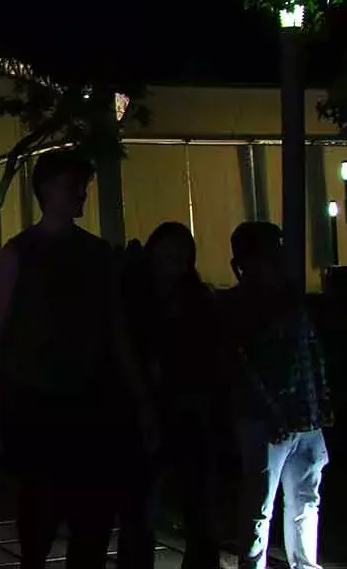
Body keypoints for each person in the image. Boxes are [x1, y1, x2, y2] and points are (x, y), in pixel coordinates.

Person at [0, 148, 154, 569]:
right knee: (40, 514)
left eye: (82, 185)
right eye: (71, 185)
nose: (81, 193)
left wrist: (140, 399)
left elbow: (115, 330)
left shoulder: (96, 254)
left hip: (90, 396)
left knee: (92, 518)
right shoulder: (19, 253)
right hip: (37, 398)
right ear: (46, 190)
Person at [220, 222, 332, 569]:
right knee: (261, 504)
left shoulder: (288, 298)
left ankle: (303, 564)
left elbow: (310, 352)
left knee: (301, 498)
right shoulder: (242, 305)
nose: (279, 257)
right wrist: (271, 412)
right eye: (271, 251)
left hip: (303, 416)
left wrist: (321, 405)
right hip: (267, 420)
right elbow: (243, 365)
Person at [117, 223, 228, 569]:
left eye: (182, 256)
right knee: (141, 508)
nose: (175, 263)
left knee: (197, 504)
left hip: (189, 407)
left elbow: (212, 356)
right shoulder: (135, 302)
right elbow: (127, 353)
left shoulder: (197, 301)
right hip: (148, 409)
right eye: (168, 255)